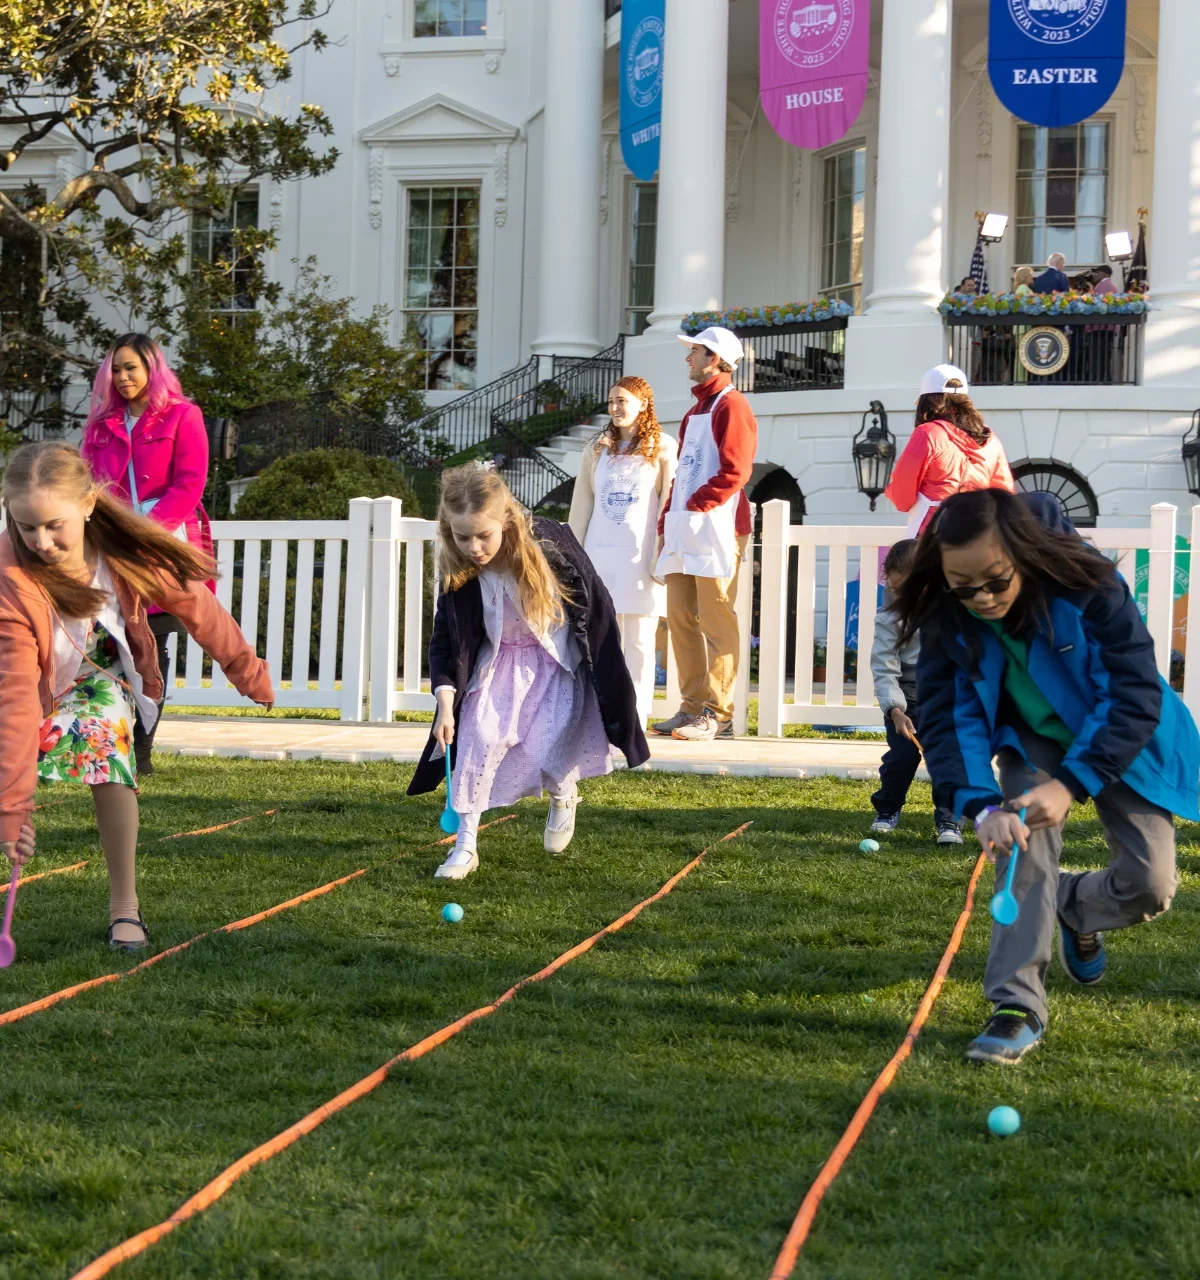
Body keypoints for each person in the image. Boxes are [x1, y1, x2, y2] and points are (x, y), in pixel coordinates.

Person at [895, 488, 1199, 1065]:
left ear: (1023, 553)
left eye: (996, 581)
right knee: (1022, 846)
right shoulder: (947, 615)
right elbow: (945, 716)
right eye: (964, 587)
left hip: (1113, 732)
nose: (981, 598)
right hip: (1030, 738)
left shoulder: (1089, 583)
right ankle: (1017, 1006)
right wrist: (982, 807)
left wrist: (1075, 782)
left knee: (1152, 884)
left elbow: (1133, 689)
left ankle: (1073, 904)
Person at [0, 443, 273, 950]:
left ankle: (124, 907)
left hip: (94, 677)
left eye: (53, 525)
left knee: (104, 741)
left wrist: (247, 671)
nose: (40, 541)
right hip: (23, 684)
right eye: (25, 527)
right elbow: (14, 697)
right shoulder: (8, 580)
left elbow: (199, 608)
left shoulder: (126, 555)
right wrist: (12, 813)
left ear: (86, 504)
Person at [408, 464, 649, 881]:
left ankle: (563, 791)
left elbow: (599, 609)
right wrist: (446, 702)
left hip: (552, 664)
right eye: (463, 536)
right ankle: (465, 845)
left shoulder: (549, 547)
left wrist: (609, 682)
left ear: (505, 521)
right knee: (477, 743)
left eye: (484, 535)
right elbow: (445, 640)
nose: (474, 547)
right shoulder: (458, 570)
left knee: (546, 748)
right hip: (497, 665)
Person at [81, 333, 214, 774]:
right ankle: (109, 737)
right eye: (115, 369)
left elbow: (190, 481)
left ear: (152, 369)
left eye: (130, 368)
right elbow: (87, 482)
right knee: (114, 637)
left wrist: (147, 529)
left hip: (165, 541)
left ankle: (143, 749)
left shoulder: (183, 415)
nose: (121, 377)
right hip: (113, 543)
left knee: (153, 637)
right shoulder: (102, 425)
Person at [652, 326, 757, 742]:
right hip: (686, 523)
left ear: (715, 358)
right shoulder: (695, 411)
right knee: (680, 617)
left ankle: (719, 714)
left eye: (693, 352)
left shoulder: (733, 406)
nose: (687, 359)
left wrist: (693, 508)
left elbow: (736, 471)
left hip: (718, 525)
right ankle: (691, 707)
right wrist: (668, 519)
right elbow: (683, 476)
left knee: (716, 619)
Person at [568, 375, 677, 728]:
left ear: (643, 404)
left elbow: (667, 504)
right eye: (611, 401)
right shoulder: (595, 449)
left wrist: (662, 552)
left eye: (622, 401)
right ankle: (602, 713)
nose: (615, 408)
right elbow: (582, 506)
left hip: (641, 556)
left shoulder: (662, 447)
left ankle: (636, 716)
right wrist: (574, 554)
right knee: (601, 636)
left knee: (641, 640)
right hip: (599, 555)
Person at [869, 539, 962, 845]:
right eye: (896, 589)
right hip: (907, 695)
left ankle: (950, 820)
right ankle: (887, 809)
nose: (902, 595)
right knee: (903, 757)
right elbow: (884, 669)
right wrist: (896, 710)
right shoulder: (889, 620)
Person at [883, 364, 1014, 537]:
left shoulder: (927, 433)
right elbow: (1004, 496)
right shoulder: (990, 439)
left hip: (934, 535)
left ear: (926, 402)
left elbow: (902, 498)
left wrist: (890, 490)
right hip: (978, 537)